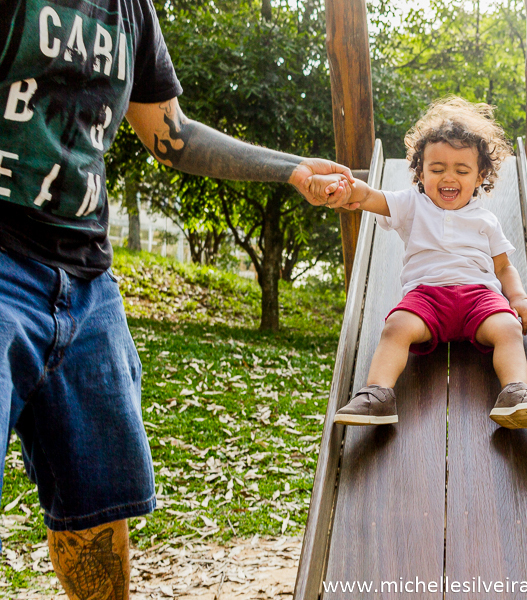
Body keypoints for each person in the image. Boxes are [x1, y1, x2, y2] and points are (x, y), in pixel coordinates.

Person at [0, 1, 355, 598]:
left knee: (97, 501)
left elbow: (173, 136)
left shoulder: (130, 10)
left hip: (86, 280)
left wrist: (292, 169)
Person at [308, 96, 527, 430]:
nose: (448, 177)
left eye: (461, 170)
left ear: (480, 175)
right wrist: (349, 190)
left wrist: (519, 299)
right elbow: (369, 197)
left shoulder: (485, 220)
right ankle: (377, 394)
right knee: (396, 327)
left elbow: (503, 268)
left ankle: (516, 392)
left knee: (509, 328)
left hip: (479, 296)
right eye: (436, 169)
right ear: (421, 172)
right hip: (426, 297)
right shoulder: (412, 205)